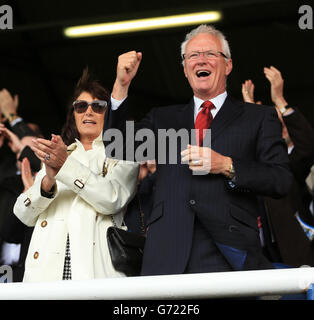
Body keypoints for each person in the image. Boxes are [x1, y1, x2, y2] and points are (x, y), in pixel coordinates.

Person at [103, 24, 293, 276]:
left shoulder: (258, 117)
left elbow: (280, 180)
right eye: (193, 55)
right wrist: (121, 85)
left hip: (228, 255)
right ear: (184, 69)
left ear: (228, 65)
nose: (200, 60)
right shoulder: (164, 119)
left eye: (210, 54)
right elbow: (118, 145)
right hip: (165, 255)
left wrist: (227, 165)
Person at [13, 69, 139, 282]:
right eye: (81, 106)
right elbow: (23, 214)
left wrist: (64, 165)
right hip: (45, 278)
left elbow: (112, 199)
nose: (88, 112)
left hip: (96, 276)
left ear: (109, 114)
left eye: (98, 106)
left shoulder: (124, 153)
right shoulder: (59, 153)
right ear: (74, 114)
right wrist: (48, 180)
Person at [242, 66, 314, 267]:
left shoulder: (291, 164)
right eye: (272, 122)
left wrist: (279, 100)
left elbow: (307, 146)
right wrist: (253, 118)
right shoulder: (251, 164)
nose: (279, 125)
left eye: (281, 120)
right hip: (259, 262)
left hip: (295, 261)